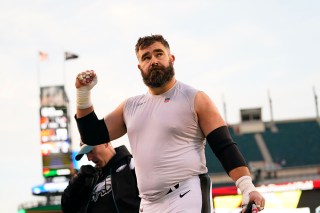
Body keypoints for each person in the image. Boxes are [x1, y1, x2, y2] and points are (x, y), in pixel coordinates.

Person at [74, 34, 265, 213]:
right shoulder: (130, 107)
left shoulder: (194, 98)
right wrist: (83, 95)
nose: (154, 61)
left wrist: (247, 187)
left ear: (171, 58)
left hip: (186, 194)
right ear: (140, 67)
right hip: (148, 203)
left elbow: (224, 146)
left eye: (159, 54)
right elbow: (92, 136)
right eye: (146, 57)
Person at [61, 142, 140, 213]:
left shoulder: (131, 165)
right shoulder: (90, 178)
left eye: (91, 151)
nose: (89, 158)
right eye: (86, 154)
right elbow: (67, 208)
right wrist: (76, 181)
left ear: (105, 143)